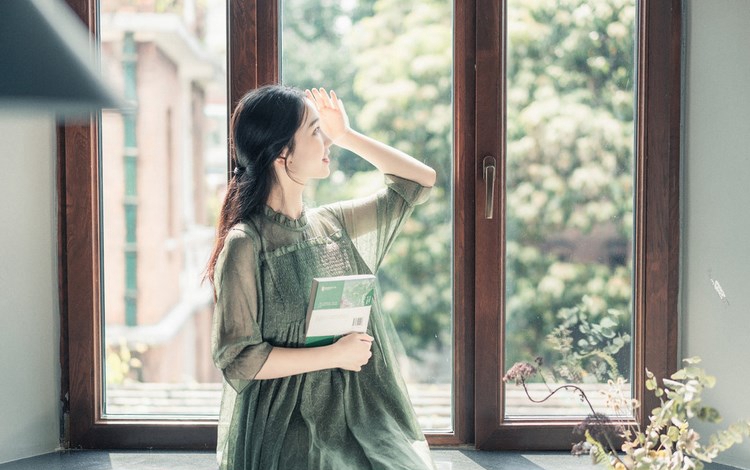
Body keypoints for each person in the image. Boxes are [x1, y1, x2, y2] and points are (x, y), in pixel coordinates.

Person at [205, 84, 437, 470]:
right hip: (287, 427)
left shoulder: (330, 224)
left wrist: (346, 134)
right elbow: (240, 359)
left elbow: (418, 183)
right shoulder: (246, 243)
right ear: (283, 153)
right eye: (315, 131)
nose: (326, 139)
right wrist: (335, 355)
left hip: (357, 415)